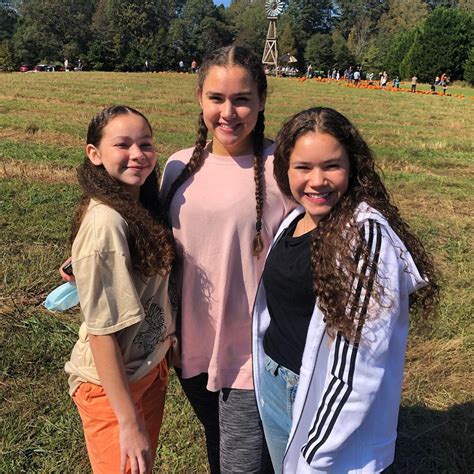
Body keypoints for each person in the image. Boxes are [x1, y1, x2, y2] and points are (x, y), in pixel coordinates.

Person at [252, 107, 438, 473]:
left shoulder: (364, 238)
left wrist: (315, 453)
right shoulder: (295, 219)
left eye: (331, 166)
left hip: (317, 404)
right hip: (275, 384)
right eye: (303, 167)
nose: (317, 181)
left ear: (352, 168)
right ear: (285, 168)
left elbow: (360, 367)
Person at [160, 45, 294, 473]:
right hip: (188, 350)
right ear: (199, 97)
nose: (228, 112)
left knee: (242, 464)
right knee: (219, 446)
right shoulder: (178, 167)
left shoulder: (285, 169)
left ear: (262, 100)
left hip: (252, 358)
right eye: (216, 98)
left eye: (242, 99)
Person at [64, 105, 176, 474]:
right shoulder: (107, 222)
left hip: (146, 369)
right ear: (94, 154)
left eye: (145, 144)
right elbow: (101, 334)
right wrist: (128, 422)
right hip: (113, 388)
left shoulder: (137, 205)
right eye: (122, 145)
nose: (137, 155)